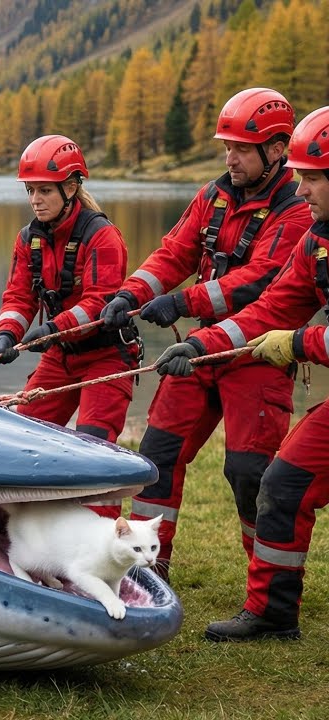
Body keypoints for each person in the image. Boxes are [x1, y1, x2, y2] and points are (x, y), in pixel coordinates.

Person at [101, 88, 313, 581]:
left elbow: (261, 280)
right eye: (226, 146)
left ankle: (268, 589)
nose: (229, 157)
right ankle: (148, 570)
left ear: (276, 150)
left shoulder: (297, 209)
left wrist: (184, 301)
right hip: (198, 352)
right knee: (157, 455)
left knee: (247, 474)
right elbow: (173, 254)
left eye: (240, 148)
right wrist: (129, 296)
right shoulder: (214, 195)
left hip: (259, 353)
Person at [154, 106, 329, 640]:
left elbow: (263, 296)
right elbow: (271, 309)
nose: (303, 191)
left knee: (257, 473)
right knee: (284, 481)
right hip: (222, 355)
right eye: (302, 177)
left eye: (315, 178)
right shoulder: (319, 238)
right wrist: (201, 343)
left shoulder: (297, 220)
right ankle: (273, 616)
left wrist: (300, 342)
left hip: (260, 373)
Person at [0, 135, 141, 518]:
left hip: (107, 357)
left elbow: (100, 301)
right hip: (61, 356)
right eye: (31, 190)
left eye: (44, 190)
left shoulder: (102, 236)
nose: (35, 200)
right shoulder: (30, 239)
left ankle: (102, 546)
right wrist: (7, 332)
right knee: (22, 439)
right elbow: (19, 296)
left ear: (71, 187)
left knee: (94, 453)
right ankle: (27, 527)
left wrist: (53, 329)